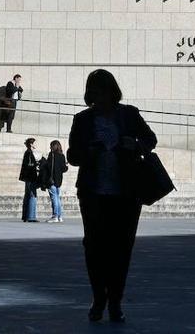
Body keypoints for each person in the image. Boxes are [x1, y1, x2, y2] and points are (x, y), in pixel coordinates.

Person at [67, 69, 157, 323]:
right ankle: (99, 297)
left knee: (121, 249)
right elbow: (73, 156)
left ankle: (115, 300)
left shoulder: (129, 114)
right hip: (93, 192)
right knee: (94, 248)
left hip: (126, 193)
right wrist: (89, 152)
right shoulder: (83, 119)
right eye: (94, 92)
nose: (100, 97)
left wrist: (135, 145)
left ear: (112, 91)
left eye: (103, 91)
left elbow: (150, 138)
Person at [45, 140, 69, 223]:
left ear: (53, 146)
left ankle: (55, 216)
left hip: (52, 180)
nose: (50, 147)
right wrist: (66, 166)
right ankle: (59, 216)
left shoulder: (51, 155)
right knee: (57, 198)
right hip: (59, 180)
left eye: (51, 146)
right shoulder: (62, 156)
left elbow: (48, 167)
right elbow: (64, 169)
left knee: (54, 198)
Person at [19, 137, 40, 222]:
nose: (36, 145)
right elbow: (29, 166)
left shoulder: (28, 153)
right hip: (30, 178)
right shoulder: (29, 153)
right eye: (35, 143)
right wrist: (37, 164)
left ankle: (26, 216)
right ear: (31, 144)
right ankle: (30, 216)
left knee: (28, 195)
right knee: (31, 195)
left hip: (28, 178)